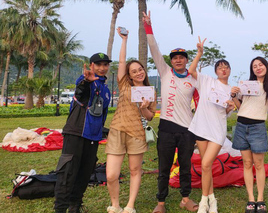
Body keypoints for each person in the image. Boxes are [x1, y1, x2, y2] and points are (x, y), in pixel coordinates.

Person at [143, 11, 199, 213]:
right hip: (166, 128)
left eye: (181, 58)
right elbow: (154, 49)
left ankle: (186, 198)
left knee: (185, 166)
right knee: (164, 167)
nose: (177, 61)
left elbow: (206, 97)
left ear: (186, 60)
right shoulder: (165, 72)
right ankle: (161, 203)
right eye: (174, 58)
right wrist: (148, 27)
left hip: (187, 129)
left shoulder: (194, 78)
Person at [105, 28, 157, 213]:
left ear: (144, 71)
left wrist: (143, 108)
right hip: (118, 130)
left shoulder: (151, 92)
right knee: (111, 175)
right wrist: (124, 40)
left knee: (135, 171)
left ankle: (130, 206)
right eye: (134, 71)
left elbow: (151, 116)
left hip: (137, 134)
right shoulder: (124, 84)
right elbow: (120, 62)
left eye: (140, 69)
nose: (138, 73)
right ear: (129, 74)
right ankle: (116, 205)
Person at [54, 53, 112, 213]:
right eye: (98, 64)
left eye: (105, 65)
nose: (102, 68)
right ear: (91, 65)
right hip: (76, 133)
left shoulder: (106, 89)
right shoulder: (86, 79)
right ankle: (60, 209)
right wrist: (86, 81)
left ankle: (75, 206)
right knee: (67, 173)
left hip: (93, 137)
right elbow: (80, 91)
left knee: (85, 173)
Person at [188, 37, 235, 213]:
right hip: (201, 127)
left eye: (226, 67)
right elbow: (191, 70)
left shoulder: (232, 89)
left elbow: (228, 112)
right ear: (216, 71)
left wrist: (231, 106)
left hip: (217, 130)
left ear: (230, 71)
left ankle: (203, 201)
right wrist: (199, 53)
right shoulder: (207, 81)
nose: (223, 69)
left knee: (206, 164)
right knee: (205, 166)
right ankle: (212, 200)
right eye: (220, 67)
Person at [230, 57, 268, 213]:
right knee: (246, 163)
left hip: (258, 127)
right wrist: (233, 96)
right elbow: (241, 107)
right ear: (252, 69)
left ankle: (260, 199)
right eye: (254, 66)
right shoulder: (246, 85)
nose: (258, 68)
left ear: (266, 66)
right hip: (241, 126)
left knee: (259, 165)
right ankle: (251, 199)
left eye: (261, 65)